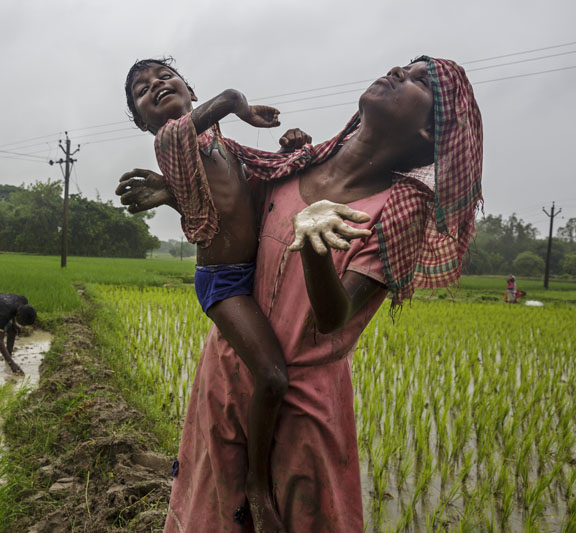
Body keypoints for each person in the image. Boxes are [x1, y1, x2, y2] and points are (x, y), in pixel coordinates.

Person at [117, 56, 482, 531]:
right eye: (405, 66)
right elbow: (230, 208)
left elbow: (337, 317)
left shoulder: (400, 208)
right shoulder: (299, 161)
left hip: (300, 411)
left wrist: (313, 246)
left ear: (432, 134)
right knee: (207, 514)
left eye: (420, 82)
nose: (398, 72)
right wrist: (175, 189)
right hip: (226, 378)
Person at [125, 57, 311, 532]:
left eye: (164, 77)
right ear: (143, 120)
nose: (157, 86)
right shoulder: (171, 140)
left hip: (256, 270)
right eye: (143, 91)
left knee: (256, 374)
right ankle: (255, 484)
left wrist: (293, 146)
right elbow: (228, 98)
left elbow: (266, 179)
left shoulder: (220, 146)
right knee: (272, 376)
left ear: (188, 87)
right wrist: (243, 110)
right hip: (224, 282)